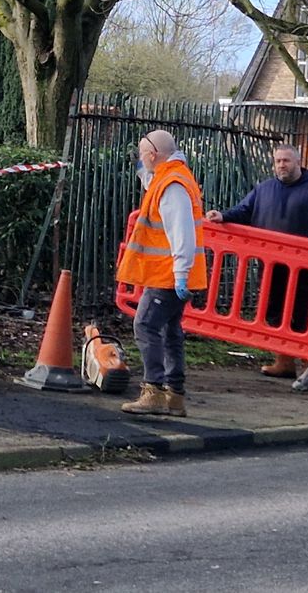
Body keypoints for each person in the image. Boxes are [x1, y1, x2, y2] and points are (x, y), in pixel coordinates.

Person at [204, 143, 308, 379]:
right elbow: (244, 210)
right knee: (273, 312)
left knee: (303, 315)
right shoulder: (265, 189)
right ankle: (284, 361)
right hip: (270, 265)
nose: (281, 165)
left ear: (299, 162)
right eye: (278, 161)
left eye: (286, 161)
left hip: (304, 268)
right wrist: (223, 216)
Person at [116, 129, 208, 418]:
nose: (140, 160)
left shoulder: (172, 184)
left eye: (143, 155)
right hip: (171, 275)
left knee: (145, 326)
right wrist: (142, 170)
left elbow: (181, 233)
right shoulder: (173, 178)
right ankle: (174, 396)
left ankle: (153, 391)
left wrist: (181, 273)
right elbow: (152, 186)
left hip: (167, 276)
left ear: (153, 155)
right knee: (170, 332)